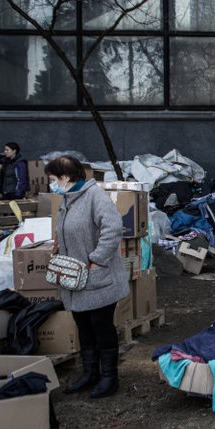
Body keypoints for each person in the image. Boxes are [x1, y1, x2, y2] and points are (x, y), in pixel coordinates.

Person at [46, 155, 129, 398]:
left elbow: (113, 229)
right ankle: (89, 373)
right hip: (75, 279)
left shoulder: (95, 196)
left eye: (53, 178)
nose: (51, 183)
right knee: (83, 325)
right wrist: (59, 244)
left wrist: (97, 259)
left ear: (66, 177)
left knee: (101, 326)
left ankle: (109, 377)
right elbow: (71, 229)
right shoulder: (67, 199)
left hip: (98, 278)